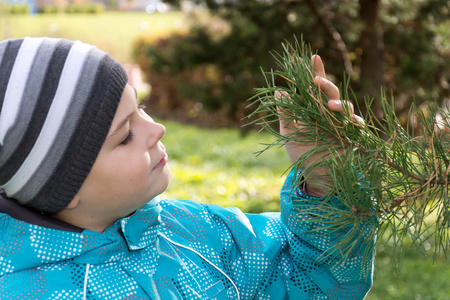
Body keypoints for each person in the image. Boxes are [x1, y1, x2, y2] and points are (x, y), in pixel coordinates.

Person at [0, 37, 375, 299]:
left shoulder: (196, 234)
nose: (156, 129)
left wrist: (325, 179)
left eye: (140, 108)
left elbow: (309, 284)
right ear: (64, 186)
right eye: (125, 135)